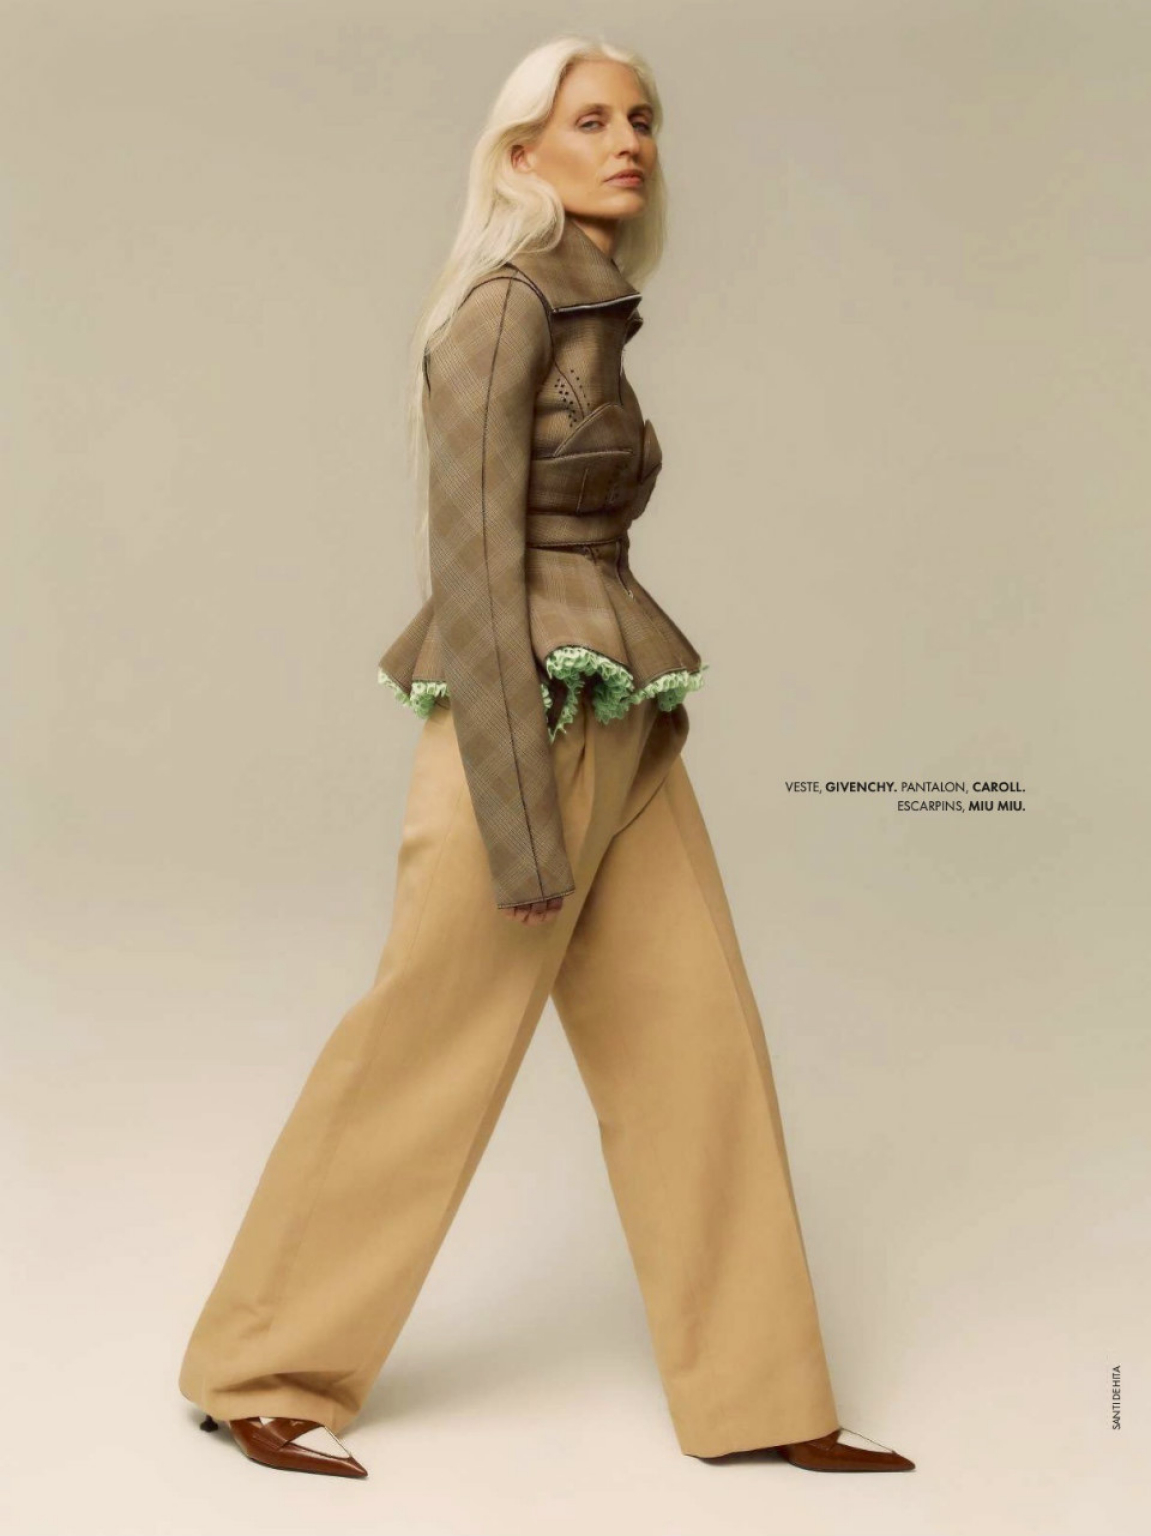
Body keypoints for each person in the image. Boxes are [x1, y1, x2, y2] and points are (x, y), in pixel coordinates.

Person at [178, 36, 915, 1480]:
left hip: (619, 714)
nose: (629, 141)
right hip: (519, 726)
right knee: (426, 1046)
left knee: (699, 1043)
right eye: (591, 120)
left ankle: (765, 1394)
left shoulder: (597, 311)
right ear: (523, 154)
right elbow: (470, 570)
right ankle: (262, 1368)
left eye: (642, 118)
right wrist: (518, 818)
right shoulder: (503, 308)